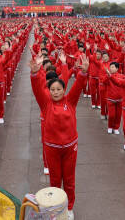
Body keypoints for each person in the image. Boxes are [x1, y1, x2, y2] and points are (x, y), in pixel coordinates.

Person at [29, 54, 89, 220]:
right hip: (52, 148)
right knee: (55, 180)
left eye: (59, 89)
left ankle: (69, 207)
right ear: (48, 91)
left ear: (64, 89)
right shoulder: (45, 103)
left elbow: (78, 85)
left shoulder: (70, 101)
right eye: (52, 90)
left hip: (70, 147)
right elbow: (36, 89)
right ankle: (55, 208)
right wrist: (35, 74)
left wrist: (83, 72)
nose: (55, 92)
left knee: (69, 180)